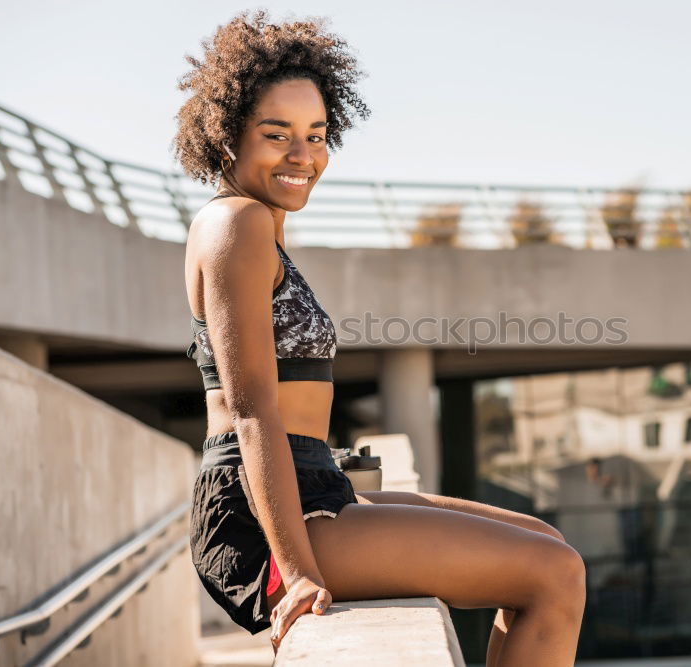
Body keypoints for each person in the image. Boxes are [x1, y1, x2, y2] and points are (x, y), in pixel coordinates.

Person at [172, 10, 586, 665]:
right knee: (551, 575)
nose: (303, 155)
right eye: (277, 134)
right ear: (228, 138)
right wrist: (298, 571)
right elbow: (253, 412)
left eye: (316, 134)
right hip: (266, 516)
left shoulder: (259, 225)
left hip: (315, 485)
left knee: (548, 543)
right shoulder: (237, 226)